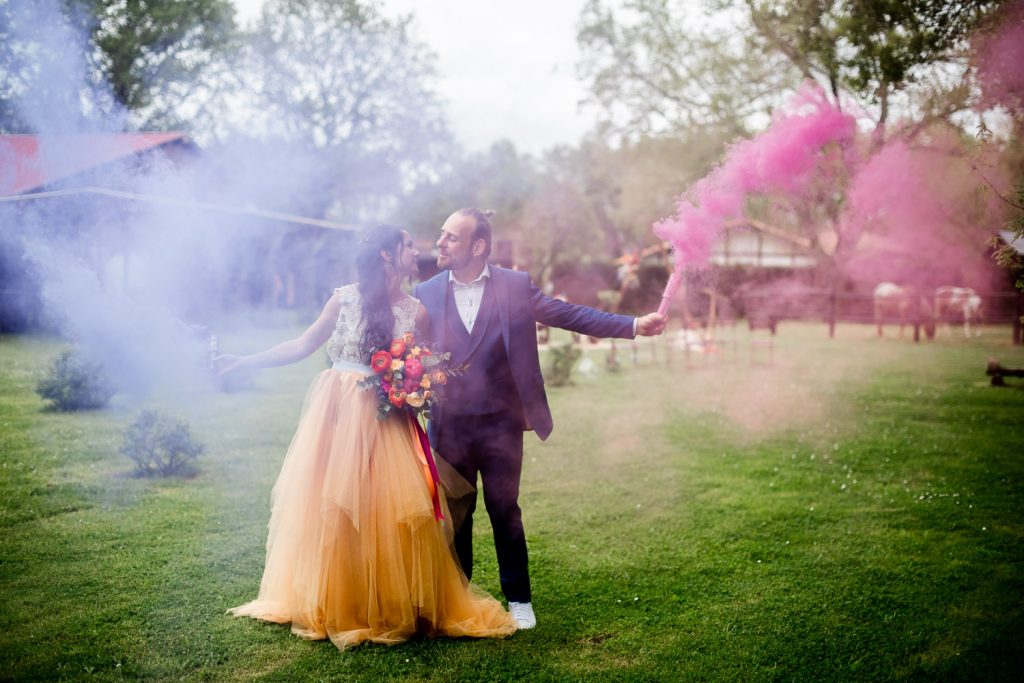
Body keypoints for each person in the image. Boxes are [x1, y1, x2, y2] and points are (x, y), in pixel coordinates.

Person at [217, 225, 516, 650]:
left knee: (384, 511)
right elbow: (303, 344)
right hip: (335, 417)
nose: (418, 251)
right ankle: (339, 599)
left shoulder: (417, 311)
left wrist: (419, 383)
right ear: (387, 256)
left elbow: (428, 365)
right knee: (333, 508)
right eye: (409, 245)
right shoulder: (344, 298)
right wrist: (246, 361)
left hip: (386, 421)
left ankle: (388, 602)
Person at [414, 208, 667, 630]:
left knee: (504, 510)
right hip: (448, 424)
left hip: (502, 423)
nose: (440, 243)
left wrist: (635, 325)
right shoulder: (424, 292)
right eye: (441, 235)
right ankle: (456, 600)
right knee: (455, 516)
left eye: (451, 237)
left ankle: (519, 599)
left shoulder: (515, 286)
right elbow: (402, 342)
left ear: (478, 246)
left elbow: (569, 315)